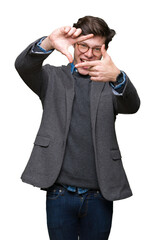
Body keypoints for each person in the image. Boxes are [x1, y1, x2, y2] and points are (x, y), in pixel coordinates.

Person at [15, 15, 140, 240]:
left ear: (105, 51)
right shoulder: (52, 78)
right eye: (83, 45)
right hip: (60, 193)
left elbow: (132, 105)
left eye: (96, 48)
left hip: (100, 195)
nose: (89, 53)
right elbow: (23, 66)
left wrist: (118, 77)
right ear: (73, 44)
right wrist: (49, 42)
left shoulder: (110, 84)